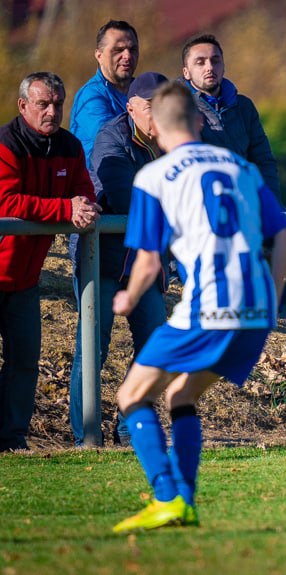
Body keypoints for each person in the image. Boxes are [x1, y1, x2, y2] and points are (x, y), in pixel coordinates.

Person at [111, 82, 286, 533]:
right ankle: (186, 502)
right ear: (197, 121)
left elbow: (149, 259)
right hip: (254, 309)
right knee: (181, 394)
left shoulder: (154, 177)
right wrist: (270, 298)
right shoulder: (241, 167)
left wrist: (130, 297)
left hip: (209, 306)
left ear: (154, 127)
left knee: (131, 396)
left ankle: (165, 496)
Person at [68, 72, 170, 447]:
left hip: (146, 259)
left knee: (157, 343)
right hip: (104, 258)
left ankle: (128, 425)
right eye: (149, 106)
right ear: (130, 107)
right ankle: (86, 436)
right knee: (94, 346)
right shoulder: (110, 139)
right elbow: (130, 201)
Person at [0, 72, 101, 452]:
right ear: (23, 106)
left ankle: (13, 441)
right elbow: (7, 204)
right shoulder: (5, 144)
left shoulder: (71, 146)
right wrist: (65, 209)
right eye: (44, 104)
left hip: (26, 279)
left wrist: (86, 207)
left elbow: (83, 192)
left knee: (24, 363)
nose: (52, 111)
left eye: (58, 103)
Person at [181, 34, 279, 196]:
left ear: (224, 66)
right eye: (200, 62)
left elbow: (263, 160)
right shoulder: (180, 109)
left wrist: (269, 203)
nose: (209, 67)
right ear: (186, 72)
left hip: (247, 202)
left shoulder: (244, 106)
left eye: (215, 60)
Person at [70, 20, 139, 167]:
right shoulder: (90, 97)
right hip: (103, 186)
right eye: (118, 50)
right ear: (99, 55)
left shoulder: (142, 92)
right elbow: (113, 142)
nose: (127, 55)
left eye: (132, 49)